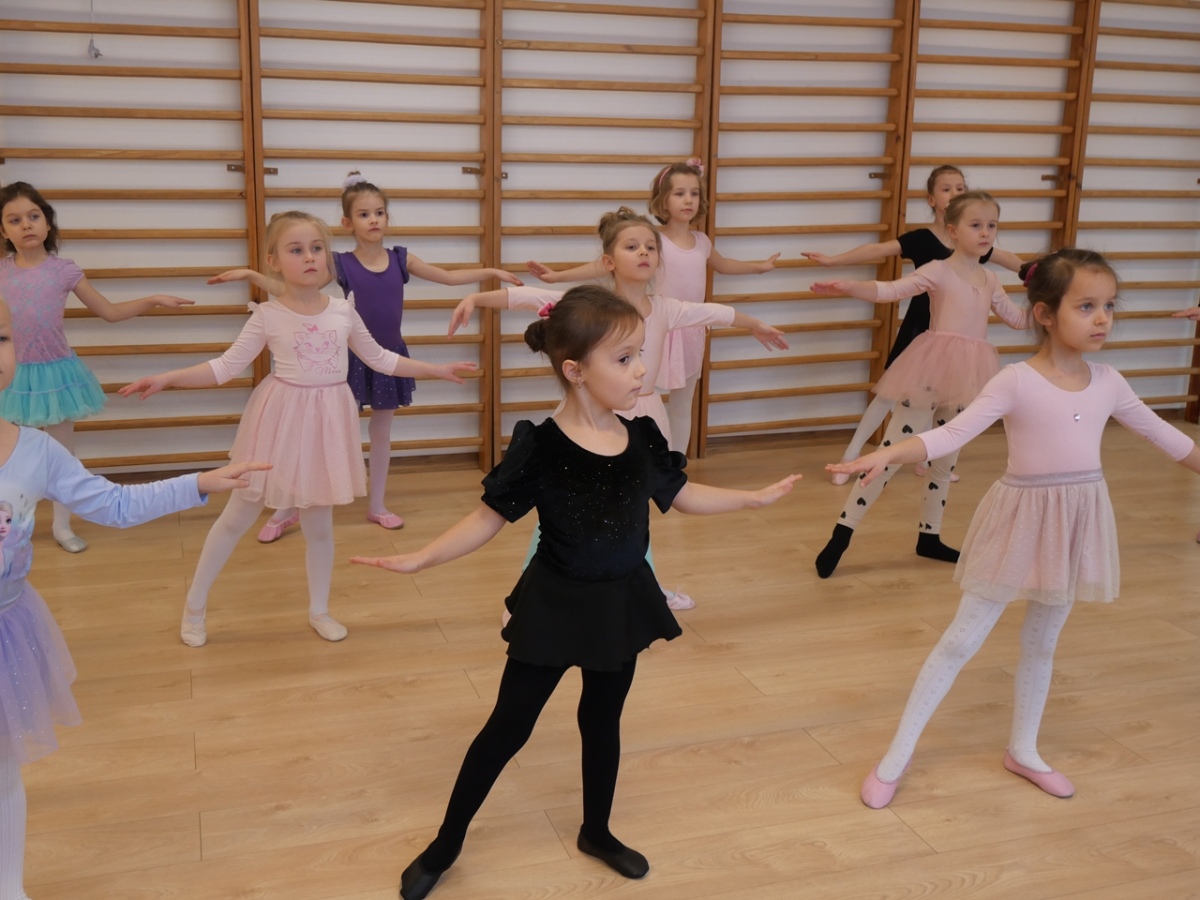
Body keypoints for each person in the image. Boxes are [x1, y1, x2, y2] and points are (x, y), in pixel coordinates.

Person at [352, 286, 800, 899]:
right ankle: (445, 844)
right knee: (508, 728)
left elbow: (680, 494)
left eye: (640, 354)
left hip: (620, 603)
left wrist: (750, 499)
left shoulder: (641, 435)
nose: (640, 369)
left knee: (603, 719)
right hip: (556, 606)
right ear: (575, 370)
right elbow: (487, 518)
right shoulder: (541, 445)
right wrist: (422, 557)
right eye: (624, 358)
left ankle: (597, 831)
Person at [827, 248, 1199, 808]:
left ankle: (1024, 750)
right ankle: (894, 759)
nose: (1103, 318)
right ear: (1045, 314)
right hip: (1019, 518)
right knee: (961, 639)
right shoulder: (1015, 380)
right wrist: (888, 453)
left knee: (1042, 642)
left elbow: (1168, 438)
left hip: (1077, 519)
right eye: (1087, 306)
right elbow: (952, 434)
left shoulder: (1109, 381)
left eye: (1109, 307)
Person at [0, 291, 266, 900]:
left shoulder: (37, 450)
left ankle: (9, 887)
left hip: (7, 630)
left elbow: (115, 505)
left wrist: (198, 482)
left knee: (2, 769)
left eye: (0, 336)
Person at [120, 211, 477, 647]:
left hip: (328, 423)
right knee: (237, 516)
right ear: (273, 261)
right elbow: (225, 367)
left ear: (327, 257)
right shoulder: (268, 315)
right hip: (279, 421)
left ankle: (319, 610)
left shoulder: (344, 311)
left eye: (316, 248)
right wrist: (168, 378)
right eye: (296, 249)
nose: (309, 257)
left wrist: (436, 369)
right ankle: (194, 606)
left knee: (320, 526)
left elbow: (381, 358)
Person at [452, 206, 788, 610]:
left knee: (634, 510)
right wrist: (476, 297)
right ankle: (525, 599)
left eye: (650, 247)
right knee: (564, 509)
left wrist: (755, 324)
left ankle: (645, 585)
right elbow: (532, 297)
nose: (644, 252)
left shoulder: (666, 307)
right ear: (609, 261)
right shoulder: (593, 307)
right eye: (632, 247)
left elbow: (715, 312)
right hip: (591, 416)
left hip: (643, 414)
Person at [214, 171, 522, 542]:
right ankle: (289, 506)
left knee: (381, 432)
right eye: (363, 214)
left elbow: (448, 277)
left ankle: (377, 504)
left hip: (388, 356)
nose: (373, 219)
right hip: (343, 362)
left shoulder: (401, 259)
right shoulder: (340, 263)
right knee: (314, 435)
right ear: (348, 223)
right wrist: (252, 275)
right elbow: (289, 288)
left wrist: (492, 270)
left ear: (387, 217)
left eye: (379, 212)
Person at [810, 191, 1030, 578]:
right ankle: (841, 534)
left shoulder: (991, 278)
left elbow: (1018, 319)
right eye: (975, 225)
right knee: (890, 456)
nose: (985, 233)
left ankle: (930, 536)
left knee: (945, 461)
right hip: (930, 370)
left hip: (968, 376)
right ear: (952, 230)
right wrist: (851, 287)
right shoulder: (938, 270)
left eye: (992, 225)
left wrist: (1051, 305)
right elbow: (892, 290)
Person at [526, 159, 779, 453]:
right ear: (663, 200)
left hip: (688, 330)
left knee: (682, 404)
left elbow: (725, 265)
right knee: (633, 395)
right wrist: (558, 276)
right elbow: (603, 264)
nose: (688, 200)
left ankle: (675, 462)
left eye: (694, 193)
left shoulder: (701, 241)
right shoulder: (652, 240)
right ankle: (617, 450)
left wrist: (759, 268)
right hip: (653, 330)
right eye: (679, 193)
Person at [0, 181, 195, 553]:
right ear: (4, 231)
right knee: (7, 454)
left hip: (56, 376)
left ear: (47, 223)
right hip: (10, 376)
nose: (26, 225)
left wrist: (152, 299)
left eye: (33, 216)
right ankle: (11, 525)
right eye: (14, 219)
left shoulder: (63, 271)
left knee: (61, 456)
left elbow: (109, 312)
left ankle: (61, 526)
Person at [803, 165, 1023, 484]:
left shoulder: (977, 244)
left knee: (945, 399)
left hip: (959, 338)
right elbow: (878, 251)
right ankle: (851, 457)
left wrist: (1050, 274)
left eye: (960, 188)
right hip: (922, 329)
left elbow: (1014, 262)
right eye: (946, 189)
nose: (954, 193)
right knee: (890, 395)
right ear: (932, 200)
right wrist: (833, 261)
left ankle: (928, 459)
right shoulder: (923, 239)